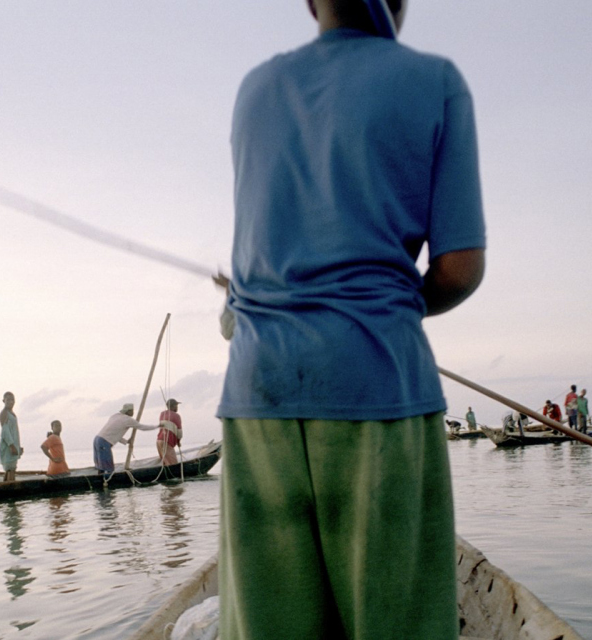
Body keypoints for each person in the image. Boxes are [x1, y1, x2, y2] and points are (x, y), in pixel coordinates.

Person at [215, 1, 486, 637]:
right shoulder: (435, 81)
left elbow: (262, 253)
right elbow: (458, 269)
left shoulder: (255, 90)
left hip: (258, 392)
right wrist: (375, 312)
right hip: (378, 385)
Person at [94, 403, 159, 480]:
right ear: (128, 411)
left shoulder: (115, 416)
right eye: (132, 411)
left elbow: (114, 433)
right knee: (108, 468)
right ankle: (108, 482)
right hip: (104, 442)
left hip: (97, 439)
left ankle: (100, 480)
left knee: (101, 466)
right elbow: (142, 427)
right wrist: (157, 426)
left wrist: (126, 441)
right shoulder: (128, 420)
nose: (133, 412)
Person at [0, 391, 23, 482]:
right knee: (10, 469)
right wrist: (12, 446)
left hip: (13, 445)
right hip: (8, 446)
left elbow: (14, 432)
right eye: (8, 400)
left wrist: (18, 447)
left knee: (12, 469)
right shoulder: (4, 413)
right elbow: (5, 431)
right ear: (4, 401)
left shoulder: (11, 413)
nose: (11, 402)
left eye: (12, 400)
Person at [157, 398, 183, 465]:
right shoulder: (176, 416)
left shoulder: (162, 414)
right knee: (173, 464)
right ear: (173, 406)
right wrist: (178, 442)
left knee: (165, 463)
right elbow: (179, 432)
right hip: (166, 442)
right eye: (176, 405)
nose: (177, 407)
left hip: (159, 441)